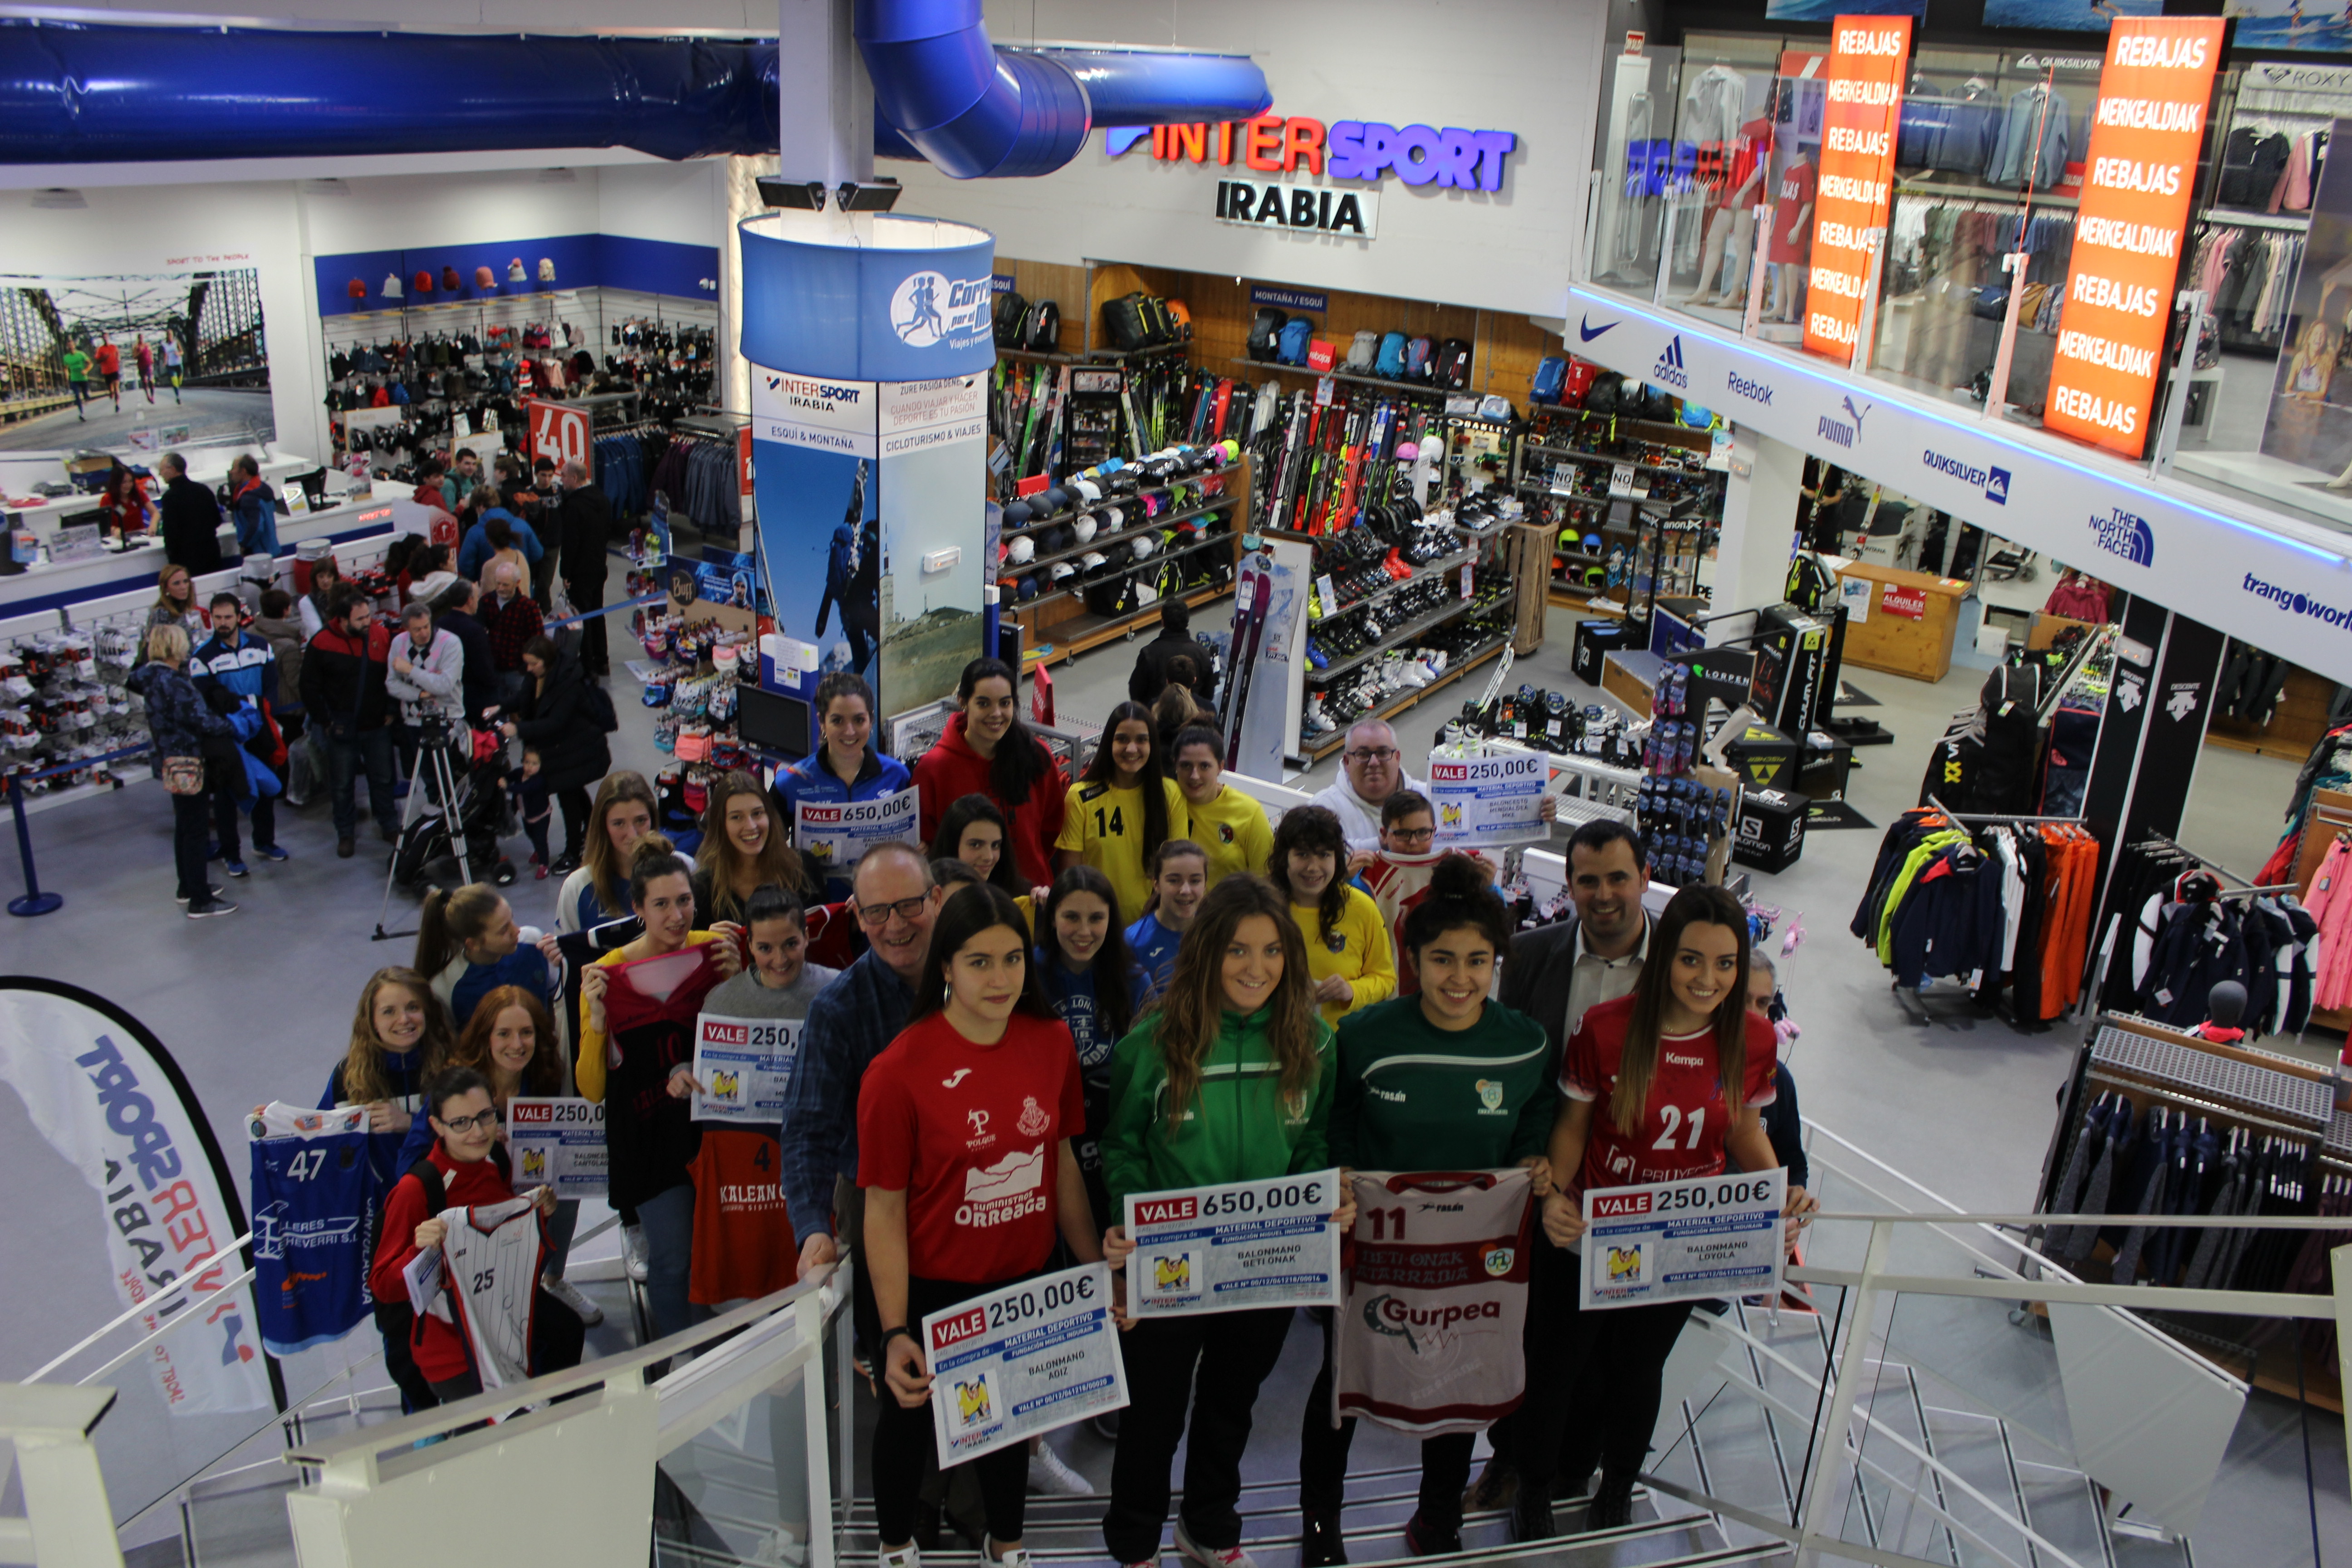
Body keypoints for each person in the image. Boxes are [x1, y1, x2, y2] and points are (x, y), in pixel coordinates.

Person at [1516, 885, 1800, 1537]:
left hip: (1680, 1238)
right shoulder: (1607, 1028)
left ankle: (1614, 1488)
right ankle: (1532, 1488)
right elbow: (1572, 1128)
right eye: (1692, 960)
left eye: (1726, 964)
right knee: (1558, 1370)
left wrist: (1778, 1188)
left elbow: (1744, 1134)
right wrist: (1553, 1199)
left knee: (1640, 1371)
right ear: (1665, 954)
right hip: (1592, 1228)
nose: (1708, 980)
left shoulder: (1754, 1041)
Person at [1297, 856, 1555, 1562]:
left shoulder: (1523, 1043)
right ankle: (1321, 1516)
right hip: (1372, 1249)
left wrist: (1535, 1154)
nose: (1460, 978)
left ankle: (1439, 1516)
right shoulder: (1366, 1036)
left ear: (1497, 961)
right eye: (1442, 959)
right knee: (1343, 1381)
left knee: (1459, 1375)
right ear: (1412, 959)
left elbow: (1538, 1112)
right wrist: (1341, 1172)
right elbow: (1335, 1119)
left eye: (1477, 961)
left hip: (1471, 1257)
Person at [1100, 873, 1352, 1568]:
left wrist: (1317, 1198)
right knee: (1152, 1414)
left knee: (1231, 1404)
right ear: (1208, 951)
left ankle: (1209, 1524)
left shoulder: (1313, 1042)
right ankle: (1134, 1541)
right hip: (1170, 1266)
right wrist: (1127, 1219)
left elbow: (1314, 1144)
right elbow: (1122, 1147)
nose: (1256, 968)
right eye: (1239, 950)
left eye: (1273, 952)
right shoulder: (1152, 1044)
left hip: (1264, 1267)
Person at [860, 882, 1102, 1568]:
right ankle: (894, 1549)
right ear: (944, 967)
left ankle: (1009, 1548)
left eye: (1013, 960)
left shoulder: (1052, 1043)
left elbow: (1059, 1165)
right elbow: (882, 1209)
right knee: (908, 1432)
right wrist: (895, 1329)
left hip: (1023, 1282)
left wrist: (1091, 1271)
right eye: (979, 962)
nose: (1001, 979)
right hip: (936, 1289)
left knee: (1009, 1428)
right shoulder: (897, 1072)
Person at [1467, 818, 1652, 1513]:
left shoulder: (1679, 963)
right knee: (1530, 1338)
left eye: (1617, 878)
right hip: (1548, 1184)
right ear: (1568, 885)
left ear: (1642, 878)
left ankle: (1578, 1470)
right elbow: (1508, 1071)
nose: (1602, 895)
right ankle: (1510, 1463)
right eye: (1587, 881)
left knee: (1613, 1358)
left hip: (1637, 1194)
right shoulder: (1533, 954)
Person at [576, 838, 745, 1339]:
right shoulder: (605, 977)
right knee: (671, 1259)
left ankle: (719, 1359)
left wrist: (737, 985)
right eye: (662, 904)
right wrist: (599, 1021)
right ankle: (681, 1366)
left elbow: (742, 1037)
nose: (677, 914)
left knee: (719, 1250)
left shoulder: (713, 951)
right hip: (648, 1139)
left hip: (711, 1129)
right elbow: (591, 1090)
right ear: (638, 909)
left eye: (685, 900)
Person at [778, 842, 942, 1355]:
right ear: (857, 915)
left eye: (909, 905)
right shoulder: (837, 1009)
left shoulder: (983, 978)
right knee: (896, 1343)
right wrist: (812, 1230)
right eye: (876, 911)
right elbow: (808, 1126)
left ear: (936, 898)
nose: (895, 925)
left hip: (967, 1190)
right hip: (874, 1201)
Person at [396, 988, 600, 1326]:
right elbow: (408, 1165)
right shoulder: (457, 1086)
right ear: (484, 1038)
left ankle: (552, 1280)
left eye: (527, 1033)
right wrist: (472, 1147)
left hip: (519, 1193)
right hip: (465, 1206)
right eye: (504, 1034)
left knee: (565, 1197)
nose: (517, 1045)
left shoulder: (543, 1075)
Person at [368, 1067, 564, 1406]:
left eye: (486, 1116)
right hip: (454, 1351)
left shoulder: (496, 1163)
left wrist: (538, 1217)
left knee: (567, 1331)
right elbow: (384, 1285)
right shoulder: (416, 1190)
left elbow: (506, 1244)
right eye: (461, 1123)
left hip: (506, 1327)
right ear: (436, 1127)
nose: (477, 1131)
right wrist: (418, 1250)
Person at [682, 887, 837, 1312]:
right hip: (750, 1165)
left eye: (791, 944)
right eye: (765, 948)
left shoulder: (837, 990)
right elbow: (696, 1066)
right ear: (748, 945)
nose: (780, 959)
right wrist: (682, 1075)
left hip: (822, 1152)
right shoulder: (723, 1000)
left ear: (807, 936)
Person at [332, 972, 458, 1413]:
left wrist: (411, 1121)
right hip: (389, 1225)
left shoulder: (451, 1064)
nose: (404, 1019)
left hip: (448, 1216)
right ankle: (420, 1415)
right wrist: (271, 1123)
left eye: (412, 1008)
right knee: (400, 1330)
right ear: (370, 1019)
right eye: (389, 1011)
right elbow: (322, 1135)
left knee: (455, 1319)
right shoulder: (351, 1074)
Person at [1036, 864, 1137, 1233]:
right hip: (1053, 1135)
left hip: (1114, 1135)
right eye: (1071, 917)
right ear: (1051, 918)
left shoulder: (1133, 978)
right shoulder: (1028, 975)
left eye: (1096, 918)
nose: (1084, 931)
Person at [912, 657, 1065, 886]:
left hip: (1031, 896)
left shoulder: (1036, 755)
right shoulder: (933, 769)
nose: (996, 714)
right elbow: (931, 847)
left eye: (1005, 703)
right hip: (966, 903)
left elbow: (1051, 829)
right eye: (984, 704)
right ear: (963, 702)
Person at [125, 623, 241, 918]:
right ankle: (200, 900)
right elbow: (201, 719)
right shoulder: (173, 683)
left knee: (185, 826)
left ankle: (188, 887)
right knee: (195, 830)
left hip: (170, 759)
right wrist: (233, 725)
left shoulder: (151, 677)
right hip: (188, 760)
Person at [773, 671, 911, 899]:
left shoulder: (898, 775)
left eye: (859, 720)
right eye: (838, 720)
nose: (849, 731)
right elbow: (768, 850)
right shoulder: (791, 781)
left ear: (871, 720)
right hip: (818, 908)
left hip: (881, 900)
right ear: (822, 722)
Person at [1354, 789, 1497, 995]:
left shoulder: (1461, 865)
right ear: (1384, 835)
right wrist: (1345, 881)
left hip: (1450, 984)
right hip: (1391, 989)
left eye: (1423, 833)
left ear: (1435, 831)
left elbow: (1497, 919)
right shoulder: (1368, 874)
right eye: (1403, 833)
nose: (1413, 842)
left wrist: (1489, 887)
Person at [1057, 699, 1184, 923]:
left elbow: (1177, 869)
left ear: (1152, 745)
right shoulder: (1080, 797)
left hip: (1152, 925)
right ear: (1108, 743)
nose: (1131, 749)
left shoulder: (1170, 794)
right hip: (1097, 926)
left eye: (1142, 740)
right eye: (1122, 739)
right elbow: (1071, 878)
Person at [1268, 805, 1396, 1026]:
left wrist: (1352, 991)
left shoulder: (1361, 908)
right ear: (1284, 858)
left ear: (1337, 858)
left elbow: (1385, 978)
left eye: (1324, 855)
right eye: (1302, 854)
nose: (1313, 867)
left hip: (1341, 1042)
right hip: (1271, 1037)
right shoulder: (1264, 908)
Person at [189, 592, 288, 874]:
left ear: (238, 616)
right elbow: (210, 699)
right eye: (218, 618)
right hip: (226, 736)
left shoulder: (260, 647)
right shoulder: (202, 658)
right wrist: (246, 707)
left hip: (261, 729)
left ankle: (265, 842)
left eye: (228, 617)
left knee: (266, 786)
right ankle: (231, 854)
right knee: (225, 797)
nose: (223, 623)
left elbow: (271, 687)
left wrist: (257, 710)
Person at [302, 585, 400, 858]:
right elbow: (308, 687)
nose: (368, 622)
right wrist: (325, 721)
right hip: (342, 727)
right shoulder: (321, 643)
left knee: (383, 779)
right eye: (361, 619)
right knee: (342, 784)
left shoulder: (381, 636)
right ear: (342, 620)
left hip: (377, 724)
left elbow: (394, 676)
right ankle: (345, 833)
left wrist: (391, 709)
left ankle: (389, 825)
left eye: (368, 616)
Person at [499, 634, 609, 874]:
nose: (528, 669)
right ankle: (593, 834)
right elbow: (524, 699)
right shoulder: (537, 677)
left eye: (533, 663)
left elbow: (556, 722)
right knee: (575, 794)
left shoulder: (568, 682)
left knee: (569, 800)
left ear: (546, 661)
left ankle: (574, 852)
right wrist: (500, 707)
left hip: (575, 751)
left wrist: (518, 728)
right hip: (560, 750)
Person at [414, 882, 565, 1031]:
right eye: (504, 930)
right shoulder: (446, 987)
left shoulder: (534, 942)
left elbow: (554, 999)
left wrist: (564, 963)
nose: (516, 931)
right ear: (473, 944)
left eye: (512, 919)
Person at [692, 768, 815, 927]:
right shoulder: (701, 888)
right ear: (721, 825)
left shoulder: (803, 867)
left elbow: (827, 935)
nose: (751, 826)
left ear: (770, 816)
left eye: (757, 814)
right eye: (737, 817)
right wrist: (705, 943)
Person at [557, 771, 662, 935]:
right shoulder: (577, 887)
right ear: (603, 827)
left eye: (641, 821)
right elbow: (569, 954)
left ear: (653, 819)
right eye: (619, 823)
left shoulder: (683, 870)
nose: (632, 834)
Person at [1170, 727, 1272, 891]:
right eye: (1186, 766)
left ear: (1220, 767)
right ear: (1175, 765)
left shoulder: (1249, 812)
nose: (1194, 775)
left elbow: (1265, 880)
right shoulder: (1168, 803)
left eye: (1204, 766)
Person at [1312, 720, 1429, 855]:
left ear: (1397, 758)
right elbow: (1318, 856)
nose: (1374, 763)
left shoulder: (1429, 797)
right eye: (1363, 754)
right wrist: (1381, 844)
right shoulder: (1323, 809)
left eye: (1383, 753)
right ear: (1347, 762)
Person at [1127, 838, 1208, 1006]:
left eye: (1195, 881)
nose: (1185, 890)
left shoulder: (1217, 935)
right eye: (1174, 880)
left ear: (1205, 884)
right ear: (1156, 884)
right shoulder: (1133, 942)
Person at [558, 459, 613, 677]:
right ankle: (602, 660)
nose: (561, 480)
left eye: (563, 476)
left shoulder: (574, 505)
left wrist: (566, 573)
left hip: (580, 571)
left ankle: (588, 665)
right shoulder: (602, 498)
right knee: (598, 613)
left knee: (582, 616)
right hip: (599, 565)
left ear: (574, 478)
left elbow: (571, 542)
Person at [929, 792, 1030, 898]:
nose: (989, 857)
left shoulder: (1018, 895)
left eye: (995, 845)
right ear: (951, 844)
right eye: (975, 845)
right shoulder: (927, 899)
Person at [430, 579, 500, 723]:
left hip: (449, 694)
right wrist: (495, 685)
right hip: (475, 695)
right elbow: (484, 668)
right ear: (470, 601)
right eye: (476, 597)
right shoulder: (475, 630)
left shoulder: (439, 624)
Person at [1129, 597, 1217, 707]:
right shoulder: (1202, 654)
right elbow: (1208, 694)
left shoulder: (1149, 653)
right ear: (1187, 622)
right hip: (1192, 718)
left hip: (1157, 719)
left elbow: (1136, 693)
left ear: (1163, 622)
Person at [480, 561, 545, 701]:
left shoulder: (529, 608)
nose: (500, 588)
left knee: (522, 707)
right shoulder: (487, 602)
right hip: (493, 669)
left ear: (518, 583)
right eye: (498, 583)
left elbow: (538, 640)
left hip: (518, 671)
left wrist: (526, 666)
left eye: (505, 585)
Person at [156, 453, 225, 573]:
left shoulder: (170, 498)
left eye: (161, 469)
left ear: (172, 469)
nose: (160, 474)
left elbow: (171, 534)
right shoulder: (204, 490)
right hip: (211, 552)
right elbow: (217, 520)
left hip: (186, 559)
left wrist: (172, 560)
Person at [459, 487, 544, 583]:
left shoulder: (475, 532)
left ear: (481, 506)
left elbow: (464, 564)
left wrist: (479, 579)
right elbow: (538, 554)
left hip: (489, 588)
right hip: (520, 586)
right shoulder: (522, 525)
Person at [507, 748, 555, 877]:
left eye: (535, 764)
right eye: (527, 762)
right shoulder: (519, 773)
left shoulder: (538, 781)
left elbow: (524, 789)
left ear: (541, 766)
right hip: (526, 815)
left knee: (541, 839)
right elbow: (510, 776)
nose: (530, 767)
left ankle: (544, 865)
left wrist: (507, 787)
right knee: (530, 834)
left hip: (541, 816)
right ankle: (538, 851)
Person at [226, 454, 279, 563]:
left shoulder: (249, 498)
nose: (231, 472)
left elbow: (257, 527)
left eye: (234, 468)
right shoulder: (264, 488)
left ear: (244, 471)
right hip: (273, 549)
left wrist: (245, 545)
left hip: (259, 555)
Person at [146, 564, 206, 640]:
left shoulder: (181, 606)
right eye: (177, 583)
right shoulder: (161, 613)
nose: (183, 587)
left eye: (186, 581)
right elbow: (157, 647)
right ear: (166, 588)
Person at [98, 464, 149, 540]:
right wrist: (115, 530)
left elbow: (155, 513)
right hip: (118, 539)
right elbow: (103, 525)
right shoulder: (107, 499)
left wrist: (153, 526)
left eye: (131, 481)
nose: (128, 485)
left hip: (139, 536)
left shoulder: (138, 493)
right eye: (124, 482)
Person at [298, 557, 343, 641]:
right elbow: (318, 633)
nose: (325, 581)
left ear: (335, 577)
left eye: (329, 576)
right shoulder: (306, 602)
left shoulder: (344, 596)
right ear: (315, 579)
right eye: (321, 577)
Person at [403, 543, 459, 609]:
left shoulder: (413, 591)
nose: (455, 562)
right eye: (452, 559)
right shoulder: (455, 583)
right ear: (442, 565)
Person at [62, 339, 92, 419]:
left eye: (72, 345)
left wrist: (86, 370)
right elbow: (65, 368)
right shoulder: (66, 358)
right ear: (67, 347)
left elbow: (90, 364)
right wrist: (67, 377)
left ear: (74, 346)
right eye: (69, 346)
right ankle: (82, 413)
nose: (71, 347)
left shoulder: (81, 354)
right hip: (74, 379)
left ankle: (87, 396)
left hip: (83, 378)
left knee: (86, 395)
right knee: (77, 396)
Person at [93, 335, 121, 410]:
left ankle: (117, 404)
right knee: (111, 389)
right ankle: (111, 392)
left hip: (115, 369)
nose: (105, 339)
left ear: (108, 338)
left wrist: (118, 359)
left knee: (116, 388)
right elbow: (97, 361)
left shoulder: (114, 347)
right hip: (106, 371)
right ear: (102, 339)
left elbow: (118, 355)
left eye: (106, 337)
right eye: (104, 338)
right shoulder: (100, 349)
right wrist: (104, 358)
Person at [160, 333, 183, 402]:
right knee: (174, 382)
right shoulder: (165, 345)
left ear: (172, 336)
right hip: (171, 365)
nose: (170, 337)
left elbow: (182, 352)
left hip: (178, 364)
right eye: (168, 336)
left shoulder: (176, 342)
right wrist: (165, 362)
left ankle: (178, 388)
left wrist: (178, 354)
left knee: (180, 382)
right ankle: (178, 397)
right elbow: (165, 354)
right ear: (167, 336)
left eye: (171, 336)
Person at [134, 335, 155, 403]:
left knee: (151, 380)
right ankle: (148, 396)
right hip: (141, 366)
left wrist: (152, 360)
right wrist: (140, 353)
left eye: (142, 338)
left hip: (148, 365)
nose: (141, 340)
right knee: (145, 382)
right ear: (138, 339)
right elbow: (134, 356)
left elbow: (151, 353)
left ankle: (153, 396)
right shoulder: (136, 347)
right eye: (140, 338)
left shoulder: (147, 346)